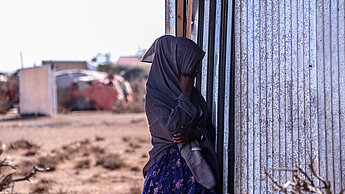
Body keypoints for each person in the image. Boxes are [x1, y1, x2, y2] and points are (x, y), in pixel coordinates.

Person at [142, 35, 219, 193]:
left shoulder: (195, 96)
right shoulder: (156, 96)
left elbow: (208, 129)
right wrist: (185, 95)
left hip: (199, 173)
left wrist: (197, 133)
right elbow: (175, 131)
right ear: (176, 61)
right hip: (167, 177)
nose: (197, 69)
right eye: (193, 63)